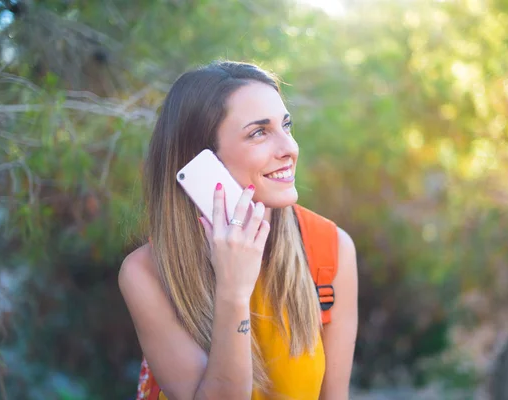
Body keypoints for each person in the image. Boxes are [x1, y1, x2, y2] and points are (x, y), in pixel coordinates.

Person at [119, 61, 358, 400]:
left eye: (286, 126)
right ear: (200, 161)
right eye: (258, 132)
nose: (289, 148)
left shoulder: (330, 249)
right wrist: (232, 292)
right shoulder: (147, 272)